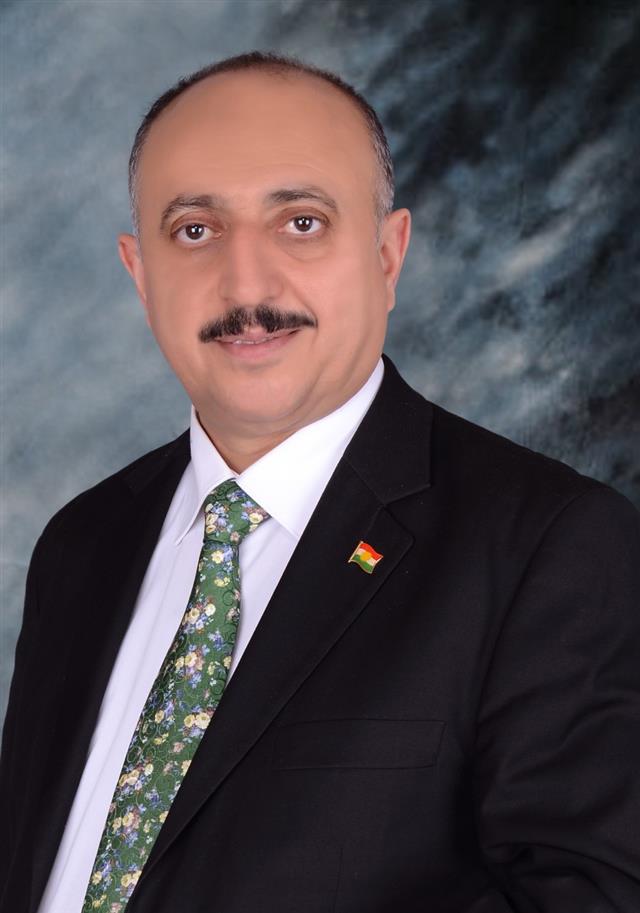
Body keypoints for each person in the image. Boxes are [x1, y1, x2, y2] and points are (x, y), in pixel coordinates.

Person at [1, 51, 639, 913]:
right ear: (139, 272)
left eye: (301, 222)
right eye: (195, 230)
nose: (247, 283)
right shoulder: (81, 544)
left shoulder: (546, 545)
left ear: (388, 254)